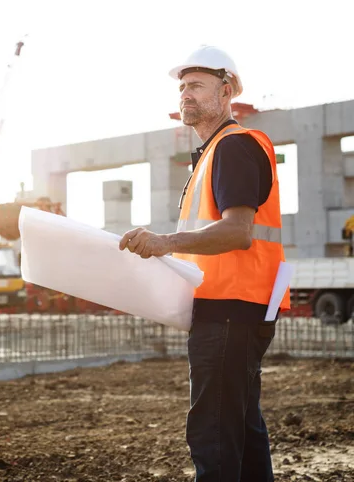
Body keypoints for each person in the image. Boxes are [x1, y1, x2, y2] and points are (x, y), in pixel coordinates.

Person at [119, 45, 289, 482]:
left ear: (226, 91)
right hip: (234, 311)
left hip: (230, 312)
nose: (185, 95)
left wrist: (164, 242)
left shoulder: (232, 148)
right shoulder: (216, 152)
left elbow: (238, 231)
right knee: (242, 436)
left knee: (214, 438)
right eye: (182, 88)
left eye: (196, 85)